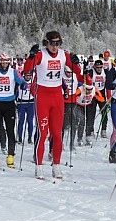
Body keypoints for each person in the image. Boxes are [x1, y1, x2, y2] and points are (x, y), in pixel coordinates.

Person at [23, 31, 82, 179]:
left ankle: (56, 165)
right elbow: (27, 70)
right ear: (46, 43)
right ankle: (39, 166)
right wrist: (31, 56)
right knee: (43, 134)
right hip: (43, 96)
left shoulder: (64, 55)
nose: (55, 47)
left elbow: (78, 74)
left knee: (57, 134)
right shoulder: (41, 54)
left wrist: (75, 62)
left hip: (57, 96)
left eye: (58, 43)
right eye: (52, 43)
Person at [85, 60, 109, 138]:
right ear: (94, 66)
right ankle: (90, 130)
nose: (99, 69)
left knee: (104, 112)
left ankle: (103, 130)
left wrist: (108, 97)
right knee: (91, 114)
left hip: (101, 93)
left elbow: (108, 85)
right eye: (97, 67)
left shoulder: (105, 72)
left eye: (100, 67)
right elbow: (85, 81)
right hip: (93, 94)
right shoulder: (91, 72)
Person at [16, 71, 35, 145]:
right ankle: (20, 138)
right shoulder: (20, 81)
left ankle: (30, 138)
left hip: (31, 103)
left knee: (30, 121)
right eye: (27, 75)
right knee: (21, 121)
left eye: (29, 75)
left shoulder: (33, 81)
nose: (28, 77)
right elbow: (15, 90)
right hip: (21, 103)